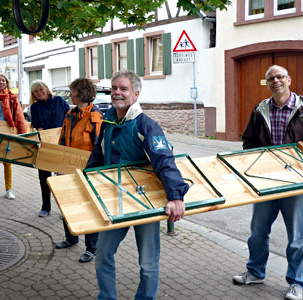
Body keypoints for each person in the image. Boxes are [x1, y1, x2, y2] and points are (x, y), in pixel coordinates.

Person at [86, 70, 189, 299]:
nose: (117, 93)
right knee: (103, 254)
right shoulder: (108, 122)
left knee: (148, 262)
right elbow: (97, 158)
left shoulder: (147, 125)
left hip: (145, 202)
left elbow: (164, 160)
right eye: (114, 88)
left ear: (135, 94)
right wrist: (85, 184)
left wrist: (175, 196)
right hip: (115, 200)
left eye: (123, 89)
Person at [233, 65, 303, 300]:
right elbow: (248, 142)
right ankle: (255, 272)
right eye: (271, 78)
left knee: (296, 237)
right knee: (257, 232)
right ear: (267, 83)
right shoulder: (259, 110)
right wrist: (254, 165)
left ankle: (297, 283)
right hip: (266, 180)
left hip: (297, 182)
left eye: (280, 76)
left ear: (289, 80)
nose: (276, 81)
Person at [55, 78, 103, 263]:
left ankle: (92, 248)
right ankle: (70, 238)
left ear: (81, 93)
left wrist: (90, 171)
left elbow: (98, 148)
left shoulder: (94, 117)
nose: (70, 95)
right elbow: (62, 141)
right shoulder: (69, 114)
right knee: (66, 203)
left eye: (73, 91)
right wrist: (60, 165)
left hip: (87, 172)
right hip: (67, 169)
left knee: (89, 208)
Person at [29, 80, 70, 217]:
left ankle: (65, 209)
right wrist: (47, 140)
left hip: (62, 143)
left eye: (41, 89)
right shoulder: (35, 108)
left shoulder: (58, 100)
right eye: (36, 91)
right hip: (46, 144)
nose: (39, 93)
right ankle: (46, 207)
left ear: (46, 89)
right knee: (44, 177)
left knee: (62, 177)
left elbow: (69, 117)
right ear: (33, 94)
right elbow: (38, 127)